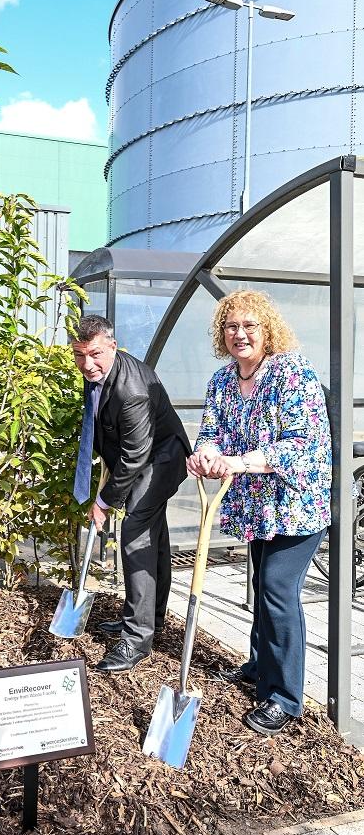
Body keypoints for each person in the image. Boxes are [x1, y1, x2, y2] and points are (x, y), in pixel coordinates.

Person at [187, 290, 331, 737]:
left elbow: (301, 443)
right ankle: (258, 666)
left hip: (295, 503)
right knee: (259, 583)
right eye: (231, 326)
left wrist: (238, 461)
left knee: (275, 589)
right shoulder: (223, 381)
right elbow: (211, 431)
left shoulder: (292, 374)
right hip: (256, 506)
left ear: (267, 330)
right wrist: (205, 455)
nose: (240, 334)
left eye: (250, 325)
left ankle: (285, 697)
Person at [71, 315, 191, 672]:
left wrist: (105, 501)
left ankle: (137, 640)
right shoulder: (99, 372)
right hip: (140, 456)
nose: (87, 364)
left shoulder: (132, 389)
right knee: (153, 537)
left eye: (94, 354)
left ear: (112, 345)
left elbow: (135, 455)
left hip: (161, 458)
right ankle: (149, 618)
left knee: (136, 533)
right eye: (79, 355)